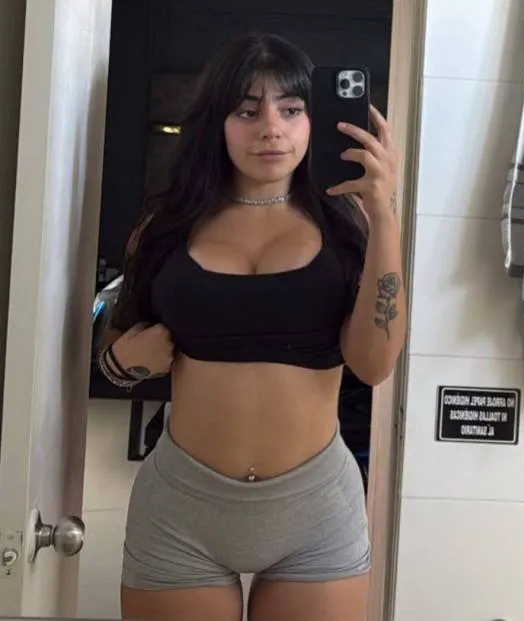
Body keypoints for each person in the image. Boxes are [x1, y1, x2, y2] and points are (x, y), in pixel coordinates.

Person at [98, 32, 406, 621]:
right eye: (247, 111)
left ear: (314, 121)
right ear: (217, 122)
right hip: (182, 509)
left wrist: (383, 211)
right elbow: (116, 348)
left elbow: (373, 364)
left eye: (291, 110)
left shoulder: (349, 229)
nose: (271, 128)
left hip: (315, 511)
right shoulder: (166, 226)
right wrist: (125, 362)